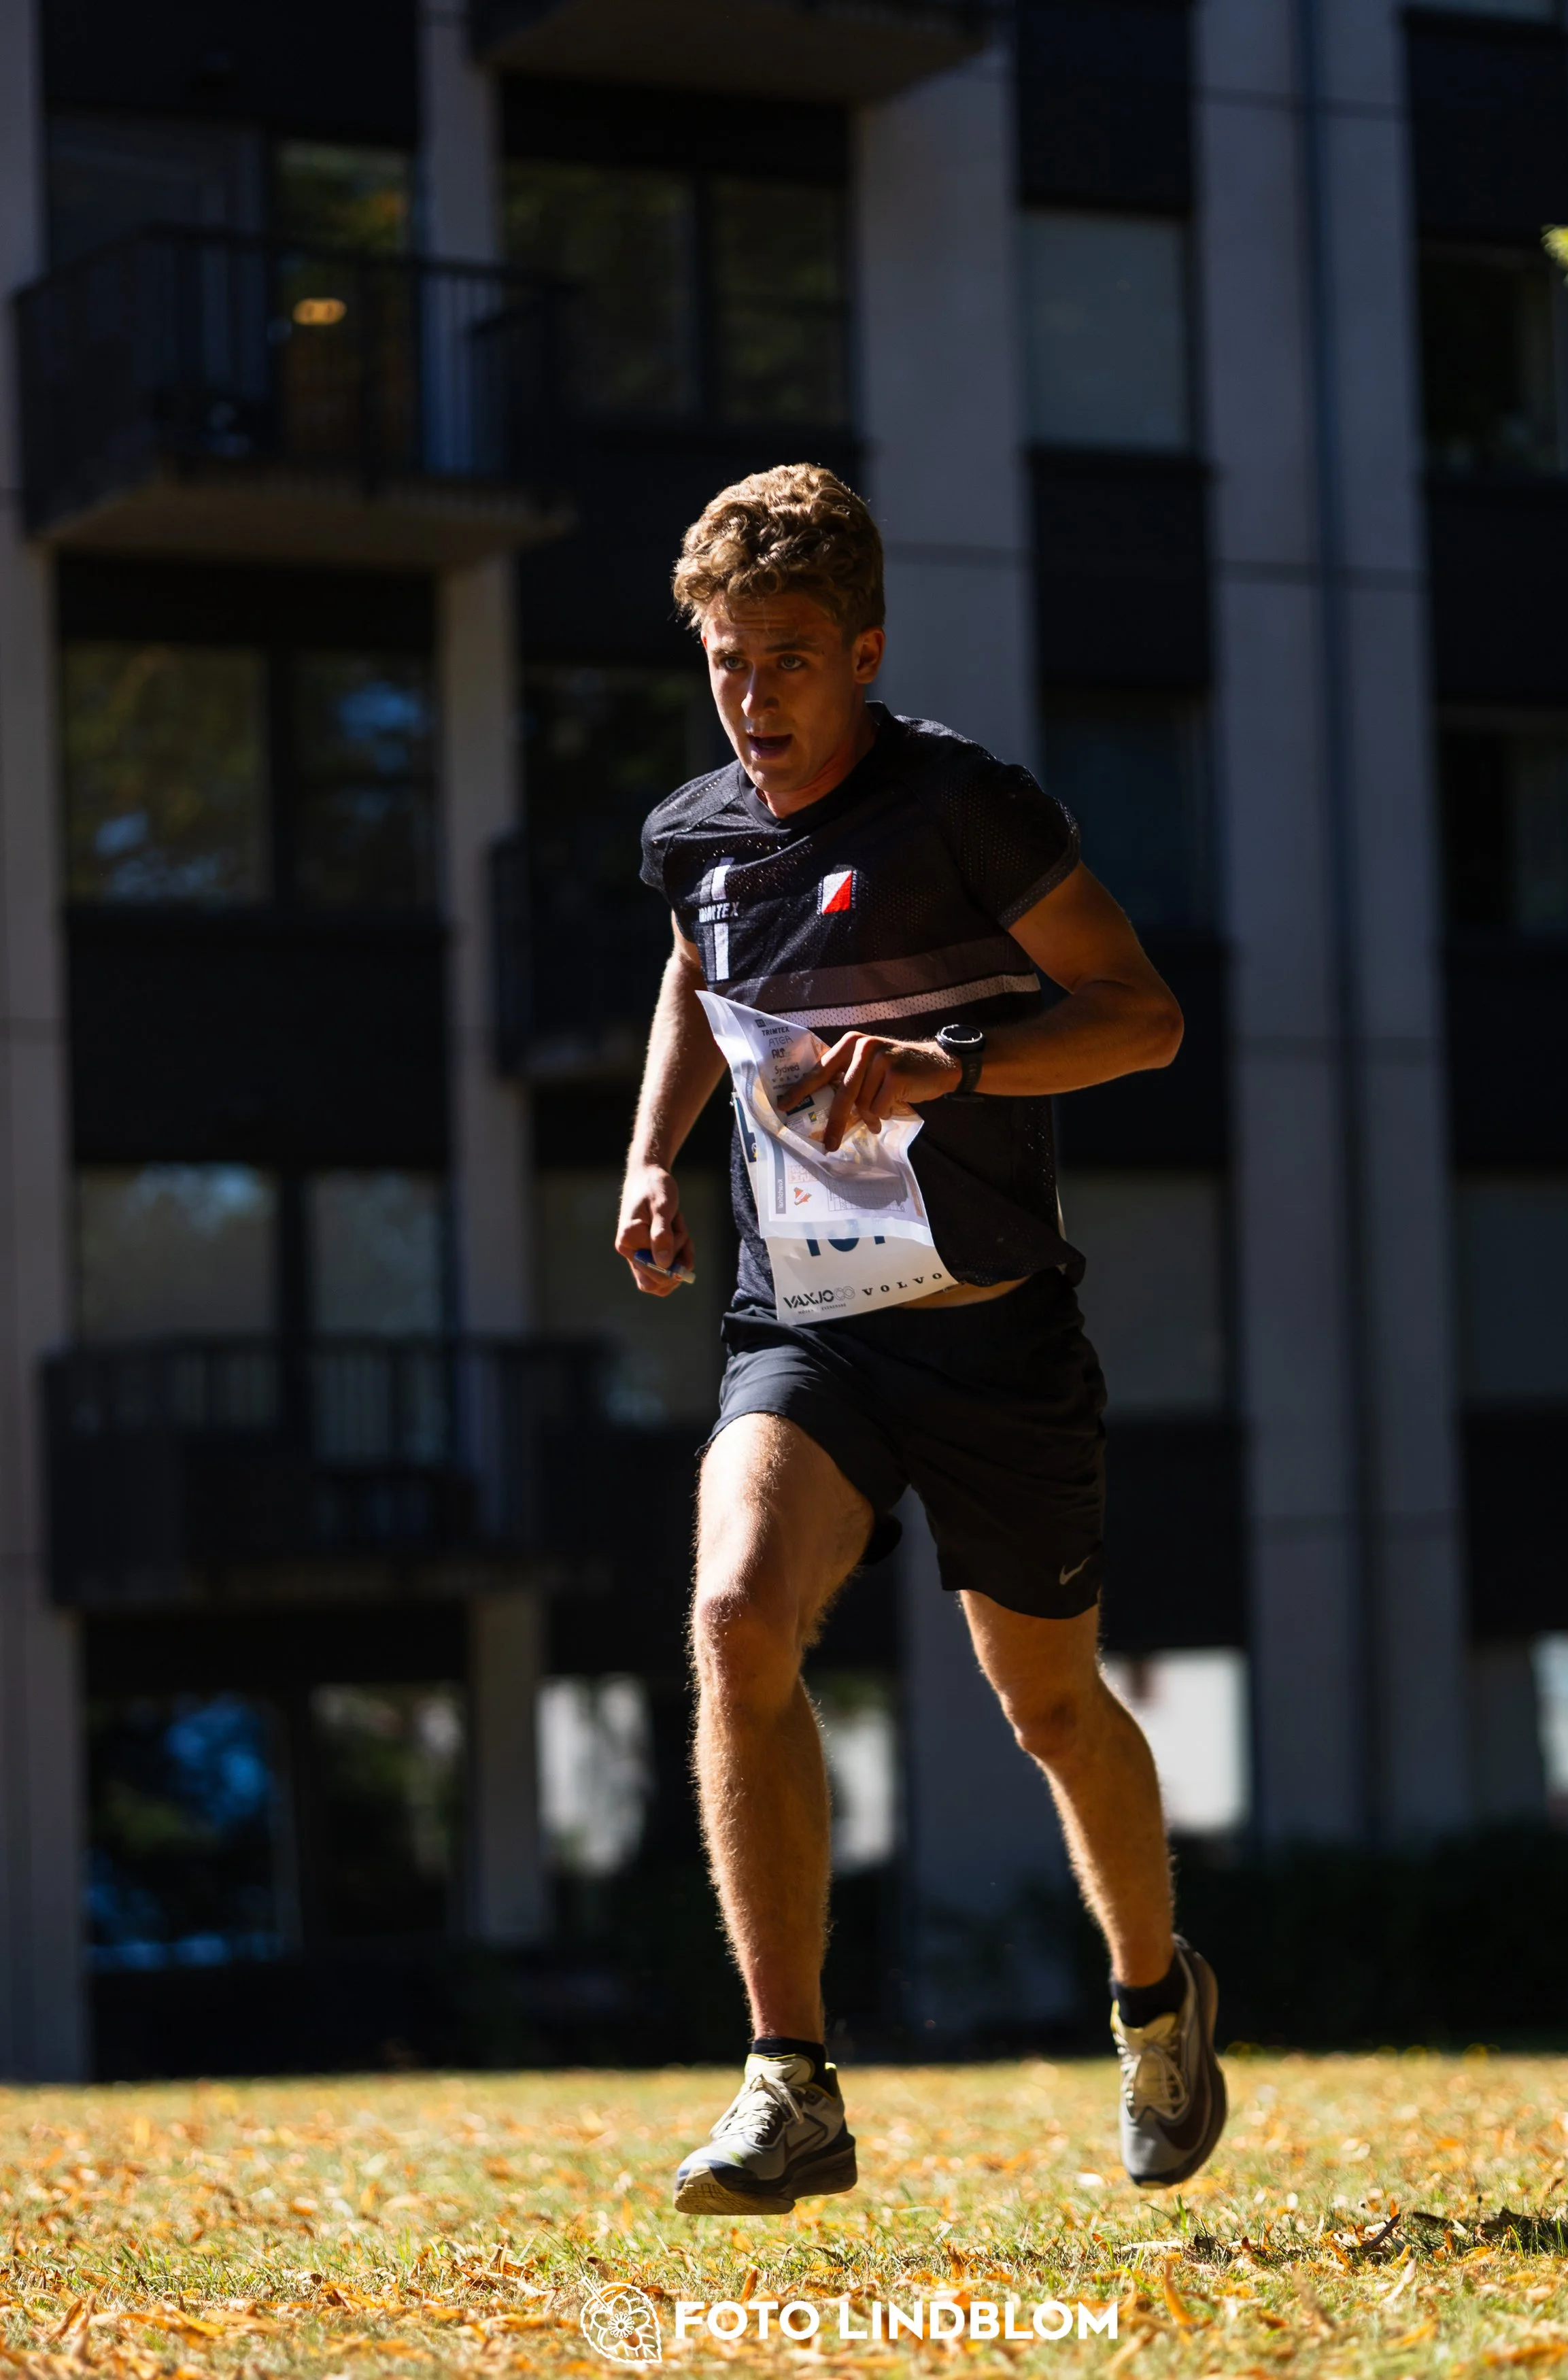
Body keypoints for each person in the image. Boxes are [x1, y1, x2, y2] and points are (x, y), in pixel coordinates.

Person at [615, 462, 1225, 2217]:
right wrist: (655, 1157)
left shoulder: (967, 811)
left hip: (991, 1338)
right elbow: (693, 967)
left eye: (790, 661)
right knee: (734, 1610)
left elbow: (1140, 1017)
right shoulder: (698, 831)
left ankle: (1153, 1995)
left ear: (864, 649)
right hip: (802, 1332)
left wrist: (957, 1065)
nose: (754, 701)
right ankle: (788, 2081)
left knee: (1045, 1706)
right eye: (726, 663)